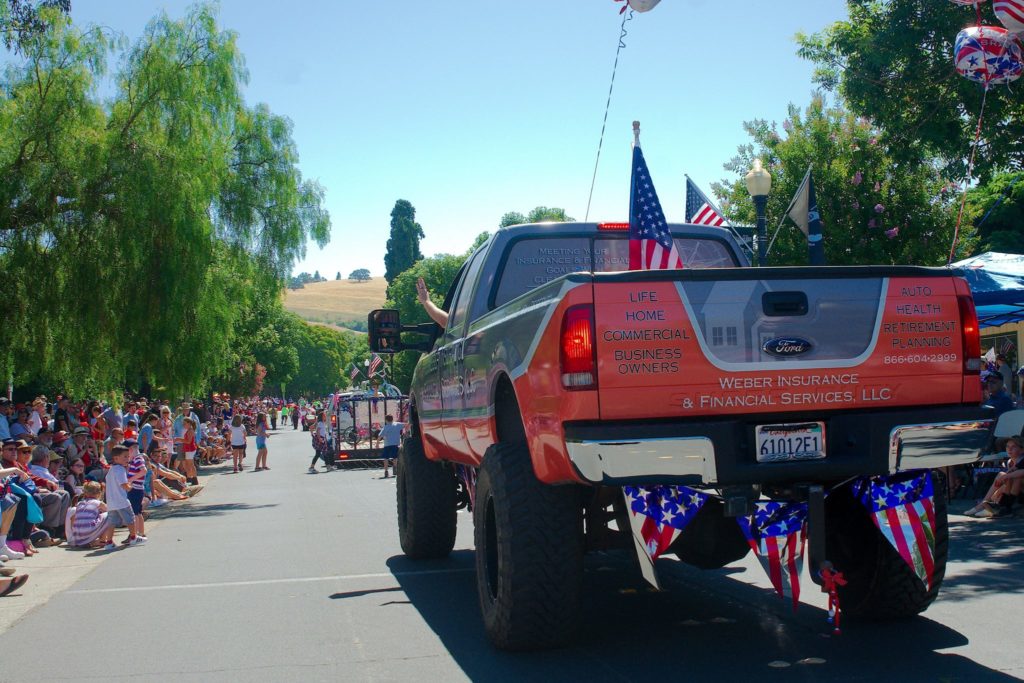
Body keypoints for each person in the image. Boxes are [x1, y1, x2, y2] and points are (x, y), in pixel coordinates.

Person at [965, 435, 1024, 518]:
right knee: (1003, 475)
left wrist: (1001, 488)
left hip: (1020, 491)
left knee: (1012, 477)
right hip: (1014, 491)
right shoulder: (1009, 461)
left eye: (1013, 447)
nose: (1009, 449)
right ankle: (991, 506)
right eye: (1007, 446)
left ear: (1022, 449)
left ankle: (991, 506)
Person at [104, 445, 143, 548]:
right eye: (125, 457)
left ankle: (109, 542)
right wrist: (130, 487)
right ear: (116, 458)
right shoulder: (120, 469)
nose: (128, 459)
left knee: (111, 523)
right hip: (121, 500)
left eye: (128, 456)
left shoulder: (111, 470)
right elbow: (123, 484)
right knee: (130, 519)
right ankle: (134, 537)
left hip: (111, 502)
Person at [67, 481, 113, 549]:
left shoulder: (80, 503)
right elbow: (110, 510)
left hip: (78, 534)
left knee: (90, 518)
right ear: (99, 493)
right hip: (88, 531)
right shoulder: (98, 503)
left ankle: (84, 540)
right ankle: (102, 540)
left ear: (85, 493)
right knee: (110, 515)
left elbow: (74, 518)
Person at [124, 439, 148, 541]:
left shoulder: (138, 459)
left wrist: (130, 480)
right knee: (138, 512)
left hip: (135, 489)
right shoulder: (136, 459)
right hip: (137, 489)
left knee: (134, 512)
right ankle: (141, 533)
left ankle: (135, 534)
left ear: (130, 449)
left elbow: (143, 471)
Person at [379, 414, 405, 479]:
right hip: (395, 444)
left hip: (387, 445)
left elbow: (380, 436)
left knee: (386, 458)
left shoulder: (385, 427)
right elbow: (407, 424)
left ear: (386, 420)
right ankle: (395, 469)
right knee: (395, 457)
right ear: (392, 419)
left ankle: (386, 471)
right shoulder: (397, 424)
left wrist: (377, 444)